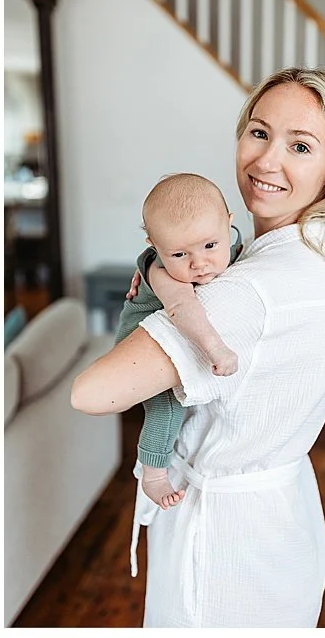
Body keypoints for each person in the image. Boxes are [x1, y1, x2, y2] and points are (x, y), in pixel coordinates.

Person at [70, 70, 325, 626]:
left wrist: (161, 285)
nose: (266, 161)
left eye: (300, 145)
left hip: (223, 550)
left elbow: (92, 393)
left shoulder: (249, 291)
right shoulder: (314, 257)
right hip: (280, 523)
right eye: (259, 133)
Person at [115, 172, 242, 511]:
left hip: (177, 331)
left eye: (211, 246)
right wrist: (216, 348)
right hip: (143, 336)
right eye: (179, 255)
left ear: (229, 226)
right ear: (154, 249)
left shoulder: (227, 242)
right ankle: (153, 473)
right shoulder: (160, 272)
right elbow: (183, 307)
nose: (199, 263)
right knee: (166, 405)